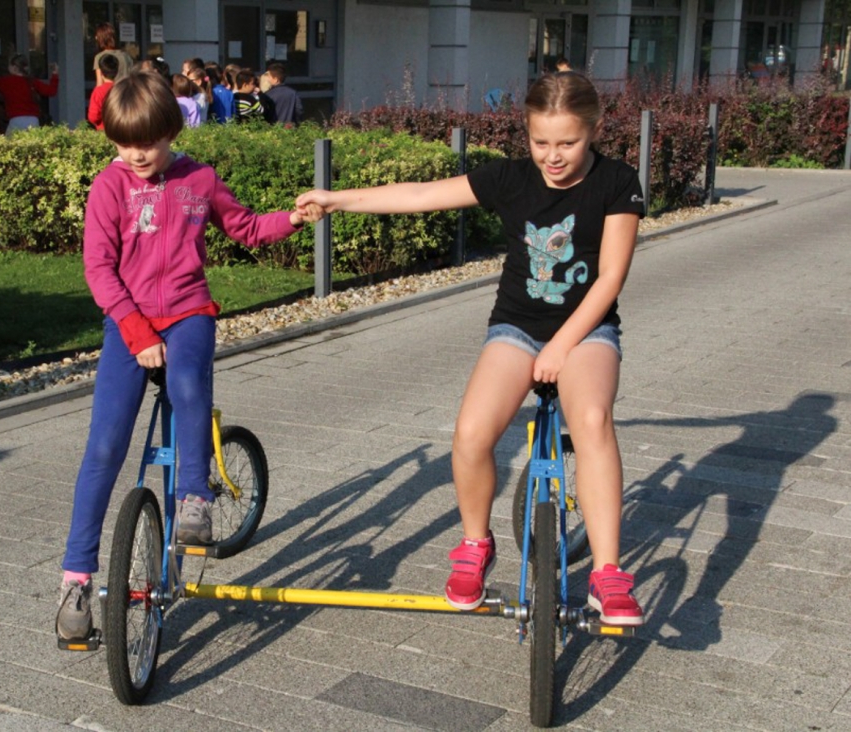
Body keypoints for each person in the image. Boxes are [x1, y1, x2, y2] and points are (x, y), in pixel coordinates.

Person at [296, 72, 646, 626]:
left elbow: (610, 279)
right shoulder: (510, 178)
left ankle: (607, 572)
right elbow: (420, 195)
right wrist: (336, 200)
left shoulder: (617, 182)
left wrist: (561, 346)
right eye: (541, 142)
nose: (553, 156)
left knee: (593, 420)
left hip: (586, 331)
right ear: (526, 132)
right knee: (470, 433)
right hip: (516, 328)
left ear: (594, 130)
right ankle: (476, 543)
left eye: (568, 143)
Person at [55, 71, 324, 641]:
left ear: (172, 132)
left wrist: (293, 219)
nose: (136, 155)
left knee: (187, 387)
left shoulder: (198, 179)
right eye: (124, 144)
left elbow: (245, 227)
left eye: (148, 143)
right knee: (104, 445)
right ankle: (76, 580)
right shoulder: (109, 187)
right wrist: (134, 331)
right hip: (129, 323)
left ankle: (195, 497)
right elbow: (98, 269)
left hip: (187, 314)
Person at [92, 22, 133, 87]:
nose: (96, 38)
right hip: (125, 90)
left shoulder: (99, 57)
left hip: (111, 91)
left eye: (97, 36)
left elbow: (99, 83)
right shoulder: (126, 55)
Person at [262, 62, 302, 127]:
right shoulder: (293, 93)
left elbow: (265, 114)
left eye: (269, 77)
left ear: (276, 79)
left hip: (273, 129)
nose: (268, 80)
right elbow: (299, 111)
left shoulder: (268, 95)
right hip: (290, 129)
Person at [87, 53, 119, 131]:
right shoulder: (122, 89)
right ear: (117, 72)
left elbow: (93, 117)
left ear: (101, 72)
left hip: (103, 131)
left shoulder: (98, 91)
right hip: (120, 130)